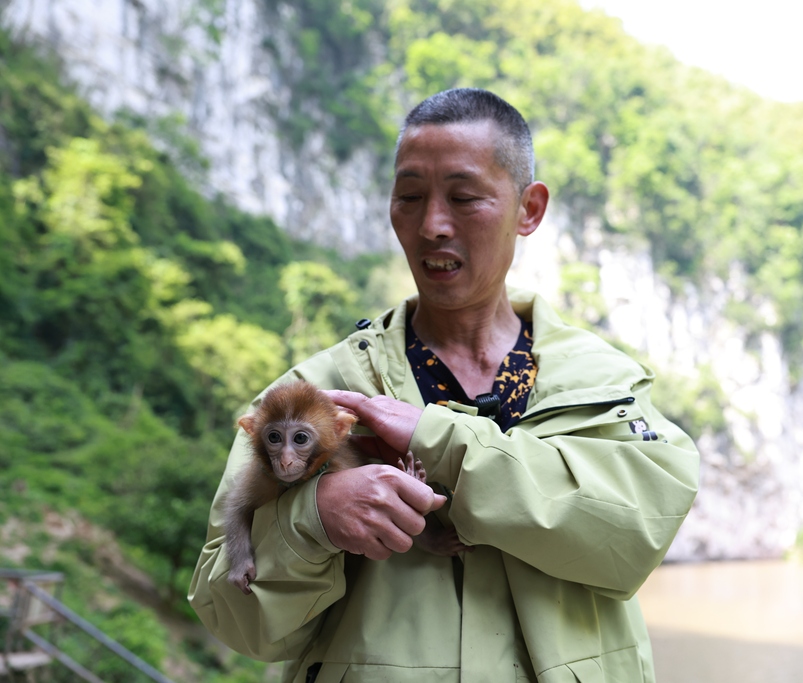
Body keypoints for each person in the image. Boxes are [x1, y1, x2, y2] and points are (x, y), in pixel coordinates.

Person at [189, 88, 700, 683]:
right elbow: (232, 617)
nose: (432, 225)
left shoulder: (601, 384)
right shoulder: (311, 398)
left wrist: (441, 442)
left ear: (528, 209)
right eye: (409, 197)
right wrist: (314, 519)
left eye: (464, 198)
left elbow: (633, 539)